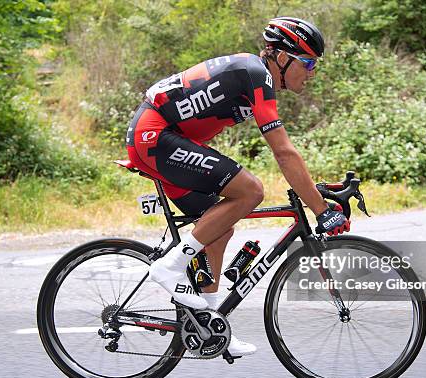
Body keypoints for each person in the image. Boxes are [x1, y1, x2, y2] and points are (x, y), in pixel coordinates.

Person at [125, 17, 350, 356]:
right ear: (281, 57)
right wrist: (319, 209)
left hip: (163, 139)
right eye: (308, 63)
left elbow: (284, 153)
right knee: (250, 191)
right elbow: (284, 152)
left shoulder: (254, 74)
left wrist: (317, 196)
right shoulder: (256, 74)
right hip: (155, 137)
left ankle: (209, 324)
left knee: (219, 227)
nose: (312, 72)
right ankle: (169, 267)